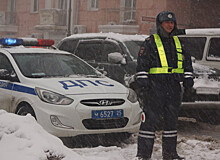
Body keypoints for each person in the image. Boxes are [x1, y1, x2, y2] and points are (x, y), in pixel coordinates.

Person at [135, 11, 194, 160]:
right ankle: (143, 155)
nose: (170, 25)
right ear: (160, 24)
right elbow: (142, 66)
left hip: (174, 87)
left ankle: (170, 154)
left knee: (171, 124)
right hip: (155, 88)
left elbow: (187, 66)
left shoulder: (179, 43)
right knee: (149, 123)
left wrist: (188, 84)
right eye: (166, 22)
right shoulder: (150, 42)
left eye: (172, 23)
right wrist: (143, 86)